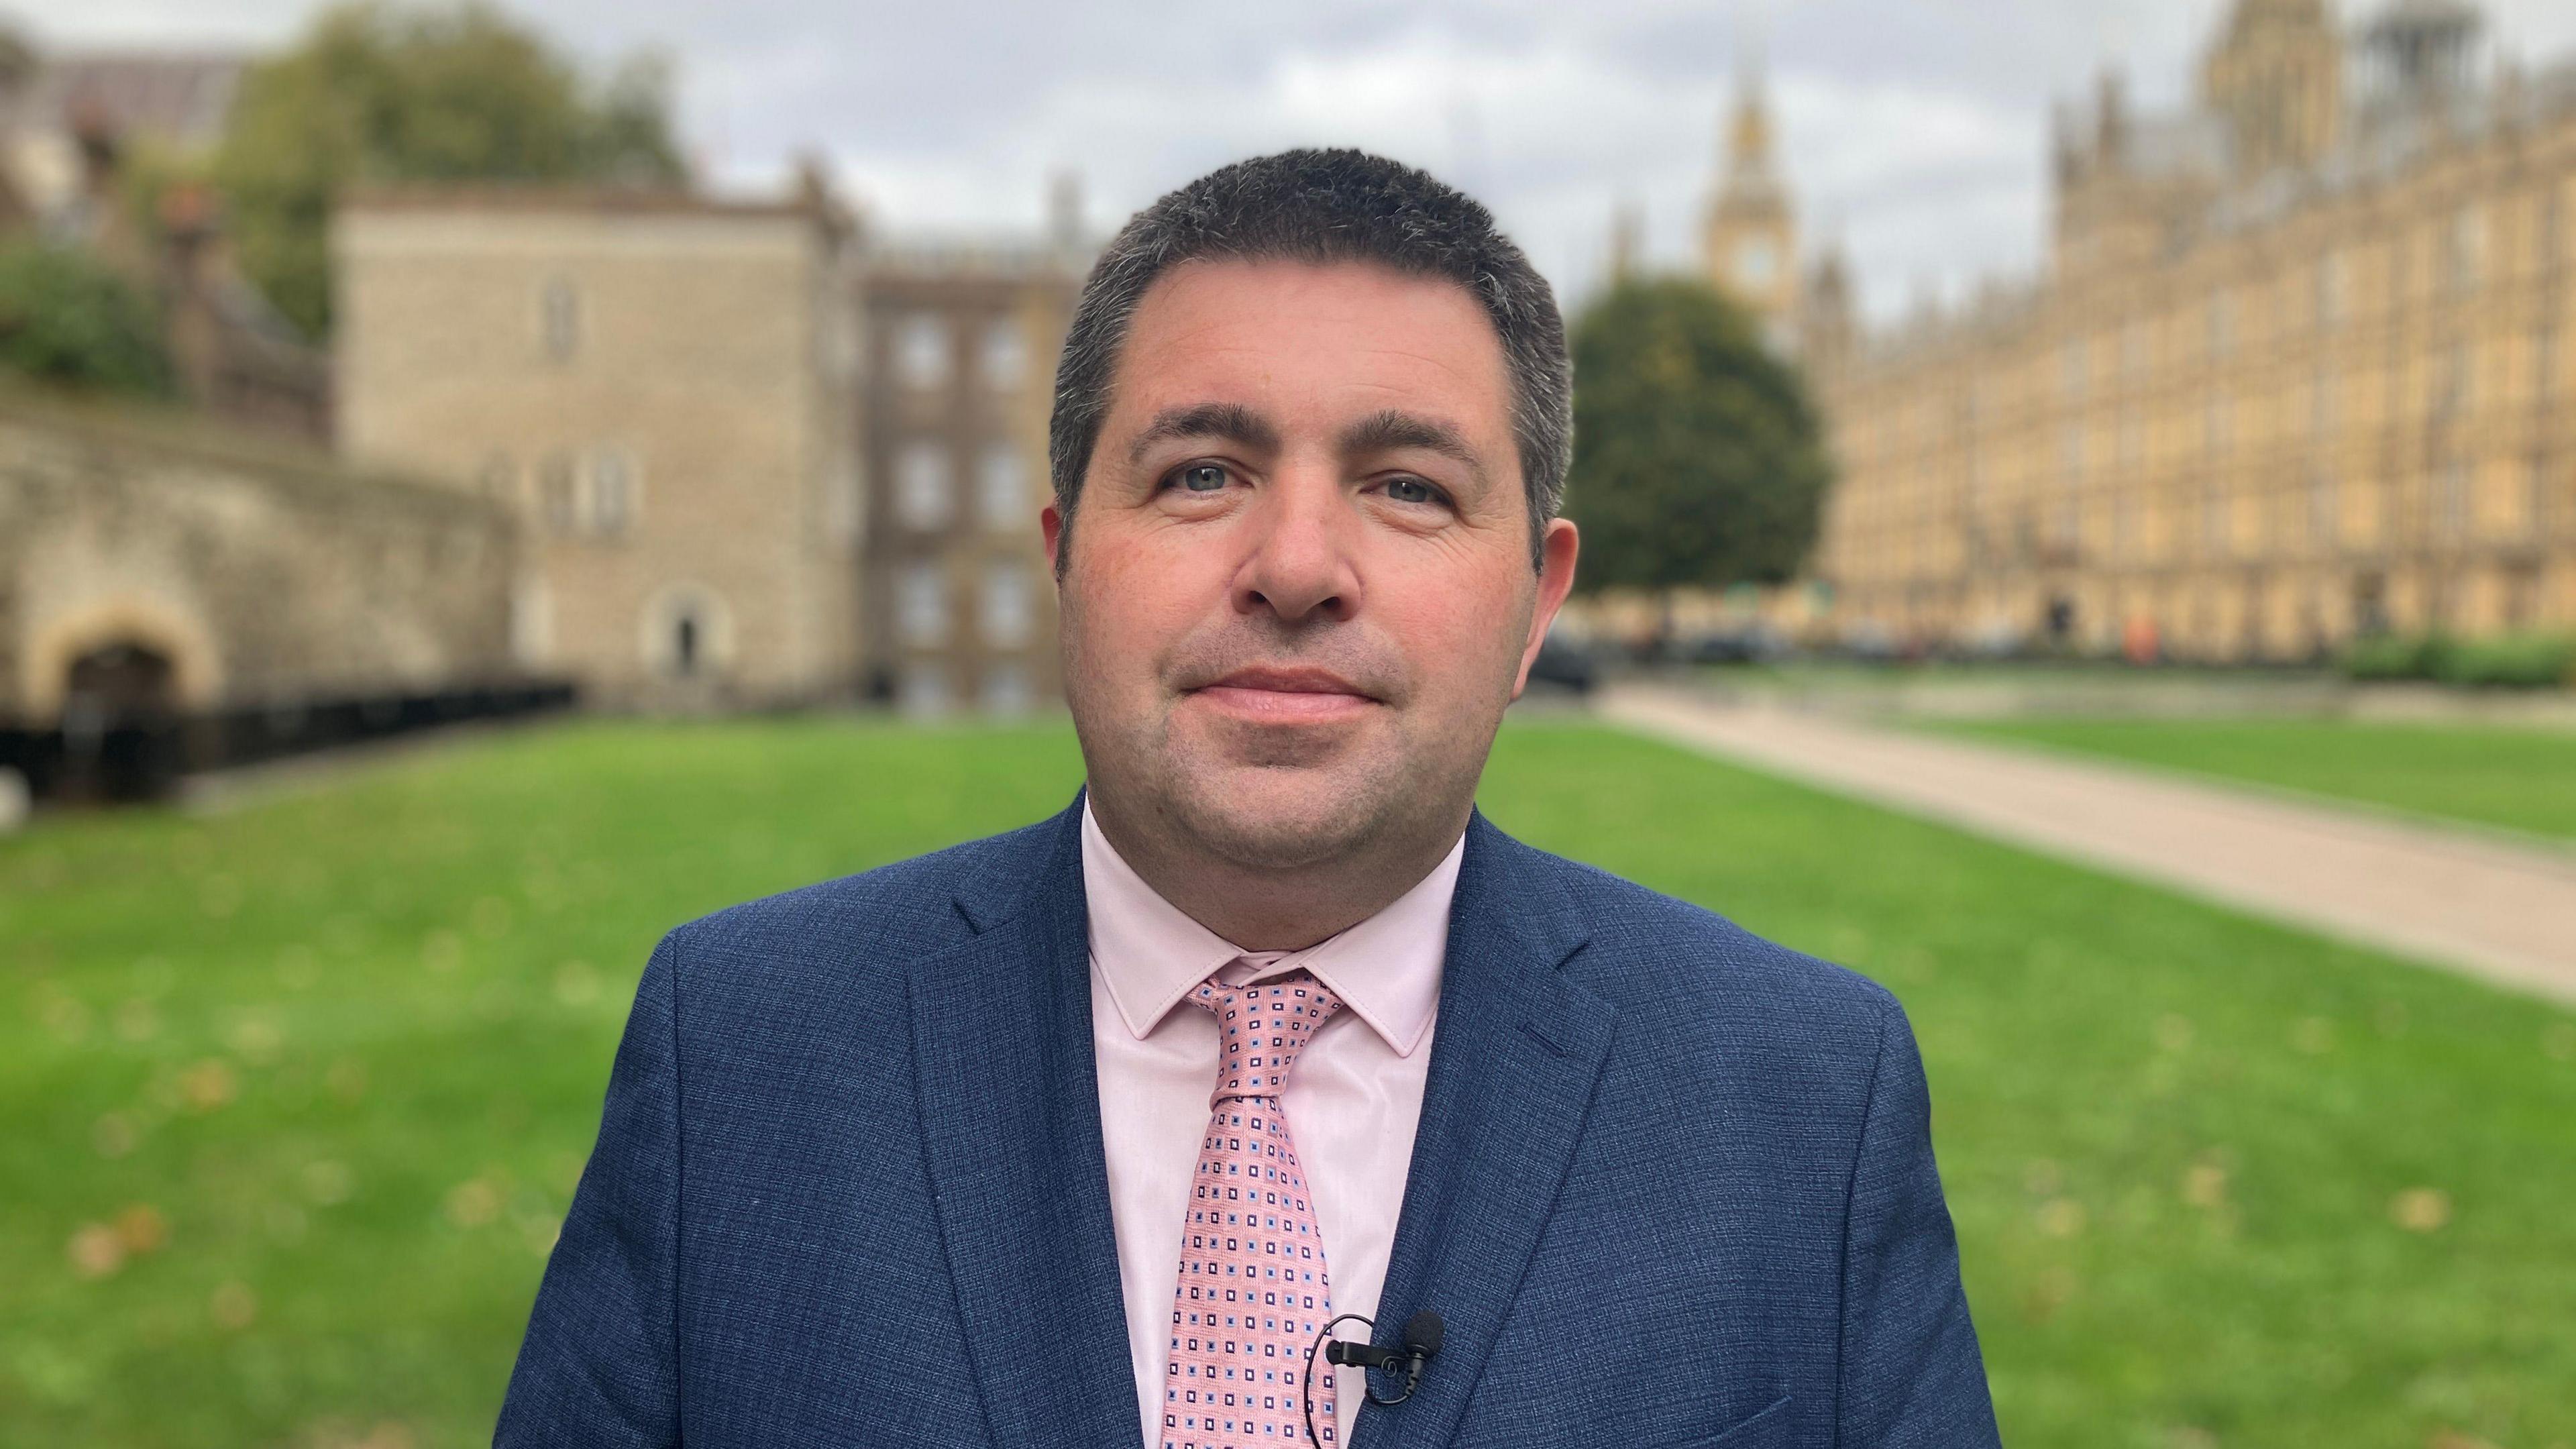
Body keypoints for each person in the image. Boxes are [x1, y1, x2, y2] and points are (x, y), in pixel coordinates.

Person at [496, 148, 1999, 1449]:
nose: (1295, 566)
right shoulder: (744, 1052)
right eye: (1204, 472)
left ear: (1537, 604)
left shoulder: (1803, 1096)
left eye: (1409, 485)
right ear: (1065, 553)